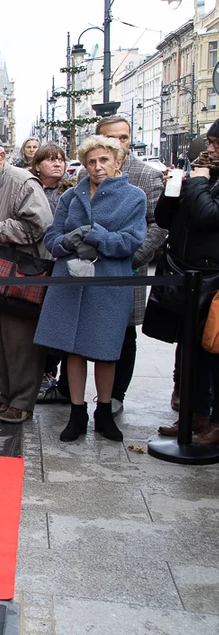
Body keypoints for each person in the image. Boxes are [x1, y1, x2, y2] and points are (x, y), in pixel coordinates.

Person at [34, 135, 145, 441]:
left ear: (117, 161)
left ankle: (105, 412)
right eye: (91, 162)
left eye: (104, 160)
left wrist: (97, 235)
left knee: (107, 351)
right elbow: (52, 236)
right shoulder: (71, 196)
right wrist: (65, 242)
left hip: (108, 283)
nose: (97, 167)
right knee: (72, 349)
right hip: (70, 280)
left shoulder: (133, 196)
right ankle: (77, 412)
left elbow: (131, 241)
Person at [0, 134, 53, 424]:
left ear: (1, 157)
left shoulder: (23, 182)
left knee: (21, 341)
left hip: (21, 276)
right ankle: (5, 393)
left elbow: (39, 226)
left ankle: (23, 400)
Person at [151, 123, 219, 444]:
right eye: (210, 142)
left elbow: (208, 216)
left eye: (217, 143)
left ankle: (215, 423)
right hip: (184, 274)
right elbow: (165, 219)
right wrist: (173, 188)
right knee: (189, 349)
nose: (212, 149)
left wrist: (197, 184)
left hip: (212, 279)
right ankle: (194, 415)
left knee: (212, 352)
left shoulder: (205, 180)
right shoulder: (201, 176)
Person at [96, 115, 166, 416]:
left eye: (123, 138)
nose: (117, 144)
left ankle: (116, 394)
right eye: (110, 138)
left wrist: (133, 259)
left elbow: (159, 225)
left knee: (123, 333)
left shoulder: (146, 175)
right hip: (92, 268)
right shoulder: (92, 168)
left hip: (127, 268)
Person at [29, 143, 77, 404]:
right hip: (34, 264)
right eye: (50, 160)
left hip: (59, 264)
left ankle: (50, 372)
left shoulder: (69, 191)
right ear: (38, 165)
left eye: (61, 159)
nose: (57, 164)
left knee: (57, 322)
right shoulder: (31, 187)